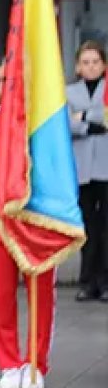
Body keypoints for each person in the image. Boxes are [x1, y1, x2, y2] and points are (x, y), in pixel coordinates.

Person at [0, 58, 56, 388]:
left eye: (10, 80)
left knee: (41, 299)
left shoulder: (42, 123)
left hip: (38, 225)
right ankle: (9, 363)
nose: (2, 86)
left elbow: (50, 171)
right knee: (2, 297)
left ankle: (36, 363)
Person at [66, 40, 108, 303]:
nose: (91, 67)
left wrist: (83, 117)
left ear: (103, 65)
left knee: (106, 227)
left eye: (95, 62)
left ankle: (105, 282)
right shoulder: (67, 91)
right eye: (86, 62)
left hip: (105, 167)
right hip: (81, 169)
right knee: (86, 229)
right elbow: (64, 123)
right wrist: (91, 123)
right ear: (78, 67)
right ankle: (87, 281)